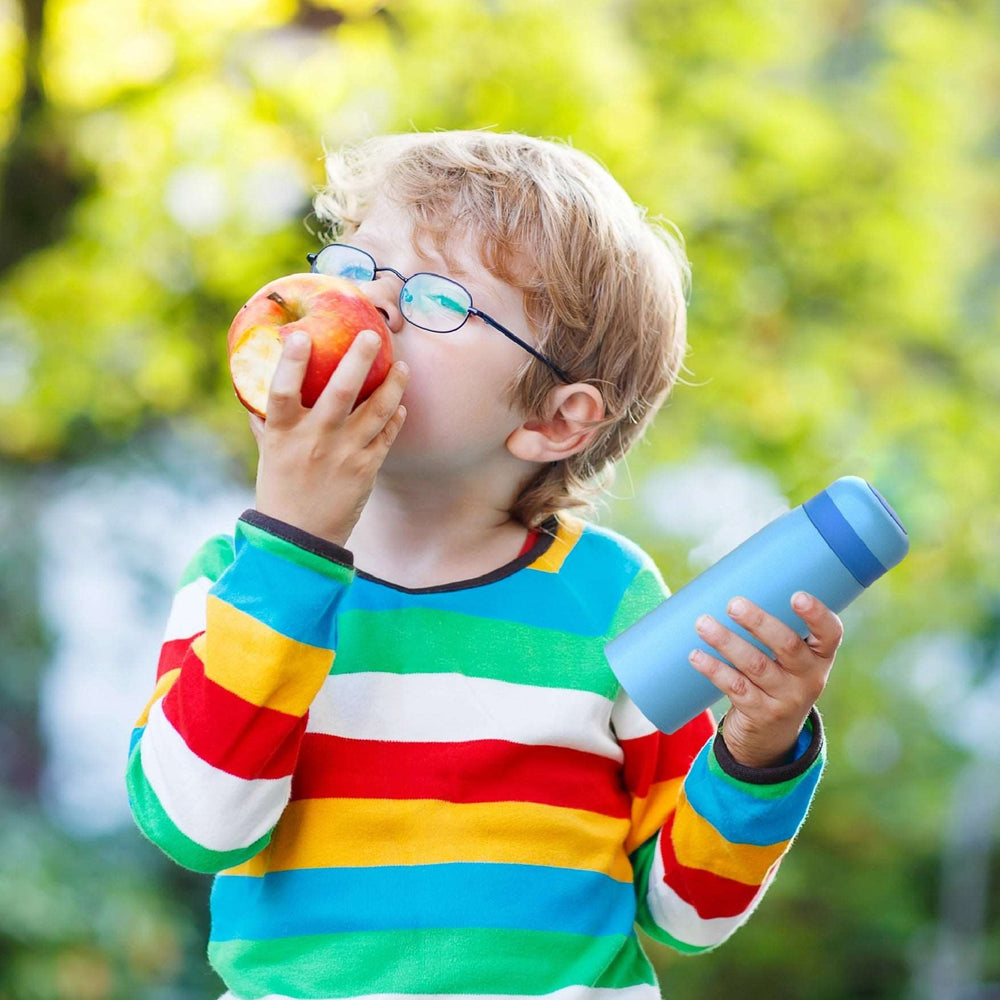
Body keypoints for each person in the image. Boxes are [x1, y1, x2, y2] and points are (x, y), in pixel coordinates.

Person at [126, 130, 843, 1000]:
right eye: (355, 267)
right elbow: (200, 826)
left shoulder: (609, 597)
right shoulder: (241, 579)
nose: (370, 307)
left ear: (553, 421)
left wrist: (758, 751)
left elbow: (688, 913)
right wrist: (293, 543)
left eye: (437, 299)